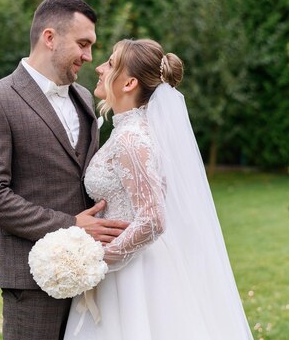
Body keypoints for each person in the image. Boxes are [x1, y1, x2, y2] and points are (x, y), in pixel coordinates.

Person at [64, 39, 254, 340]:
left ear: (129, 83)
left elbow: (153, 218)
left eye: (110, 63)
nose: (99, 67)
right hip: (125, 268)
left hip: (134, 277)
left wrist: (97, 259)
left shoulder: (131, 139)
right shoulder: (128, 132)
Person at [0, 0, 129, 340]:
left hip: (94, 275)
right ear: (50, 37)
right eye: (83, 44)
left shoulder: (85, 97)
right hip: (33, 277)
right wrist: (70, 225)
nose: (89, 56)